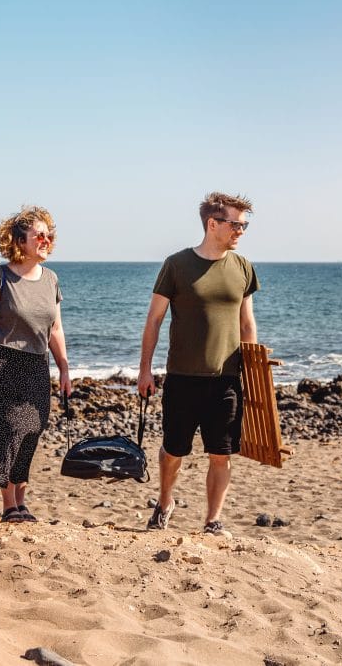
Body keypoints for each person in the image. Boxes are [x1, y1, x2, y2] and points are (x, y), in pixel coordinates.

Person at [138, 192, 259, 535]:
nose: (241, 231)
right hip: (182, 376)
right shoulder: (176, 265)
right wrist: (145, 369)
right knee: (173, 450)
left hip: (227, 379)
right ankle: (165, 501)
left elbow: (247, 324)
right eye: (236, 224)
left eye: (244, 225)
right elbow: (154, 320)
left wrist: (252, 375)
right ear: (212, 224)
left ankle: (213, 519)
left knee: (221, 454)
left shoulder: (242, 267)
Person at [0, 206, 71, 523]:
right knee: (8, 432)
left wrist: (64, 367)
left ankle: (20, 501)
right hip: (3, 363)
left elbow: (56, 329)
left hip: (37, 366)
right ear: (19, 240)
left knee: (32, 431)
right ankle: (9, 504)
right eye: (39, 235)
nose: (46, 240)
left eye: (49, 235)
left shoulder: (51, 280)